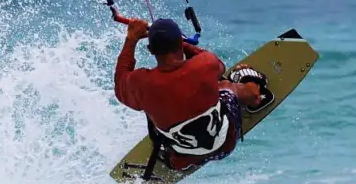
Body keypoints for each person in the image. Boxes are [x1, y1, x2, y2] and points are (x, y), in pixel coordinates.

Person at [114, 17, 267, 172]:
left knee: (155, 106)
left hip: (180, 159)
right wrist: (183, 44)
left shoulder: (141, 84)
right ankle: (254, 95)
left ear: (150, 50)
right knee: (224, 85)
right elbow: (220, 67)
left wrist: (131, 39)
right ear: (180, 43)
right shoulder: (205, 63)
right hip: (226, 144)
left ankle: (181, 158)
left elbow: (120, 87)